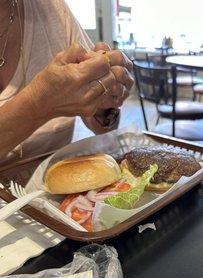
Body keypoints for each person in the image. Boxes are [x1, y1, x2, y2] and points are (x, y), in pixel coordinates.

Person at [0, 0, 134, 164]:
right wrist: (38, 104)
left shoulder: (53, 9)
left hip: (57, 185)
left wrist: (102, 102)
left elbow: (106, 127)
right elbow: (42, 100)